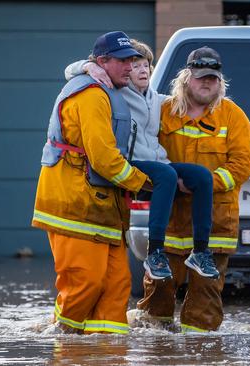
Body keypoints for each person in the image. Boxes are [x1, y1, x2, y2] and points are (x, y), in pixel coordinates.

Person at [65, 40, 220, 281]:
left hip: (158, 163)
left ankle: (200, 251)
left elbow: (192, 99)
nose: (142, 70)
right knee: (166, 175)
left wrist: (211, 88)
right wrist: (88, 66)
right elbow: (69, 71)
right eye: (135, 65)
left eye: (147, 65)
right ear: (125, 70)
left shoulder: (156, 99)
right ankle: (155, 252)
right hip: (131, 162)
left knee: (201, 176)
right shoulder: (115, 93)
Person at [32, 31, 150, 334]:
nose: (129, 66)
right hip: (75, 205)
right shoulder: (92, 95)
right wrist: (144, 183)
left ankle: (107, 348)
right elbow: (104, 159)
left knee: (116, 285)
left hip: (101, 208)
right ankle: (64, 340)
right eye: (123, 61)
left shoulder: (106, 88)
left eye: (133, 60)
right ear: (101, 62)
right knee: (84, 281)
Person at [135, 46, 250, 333]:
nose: (206, 82)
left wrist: (202, 184)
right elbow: (142, 151)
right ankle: (157, 351)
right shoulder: (162, 112)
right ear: (186, 77)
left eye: (212, 78)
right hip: (171, 222)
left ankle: (203, 352)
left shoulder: (233, 117)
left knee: (206, 301)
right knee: (157, 296)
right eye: (200, 77)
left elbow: (241, 166)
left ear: (220, 81)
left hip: (214, 223)